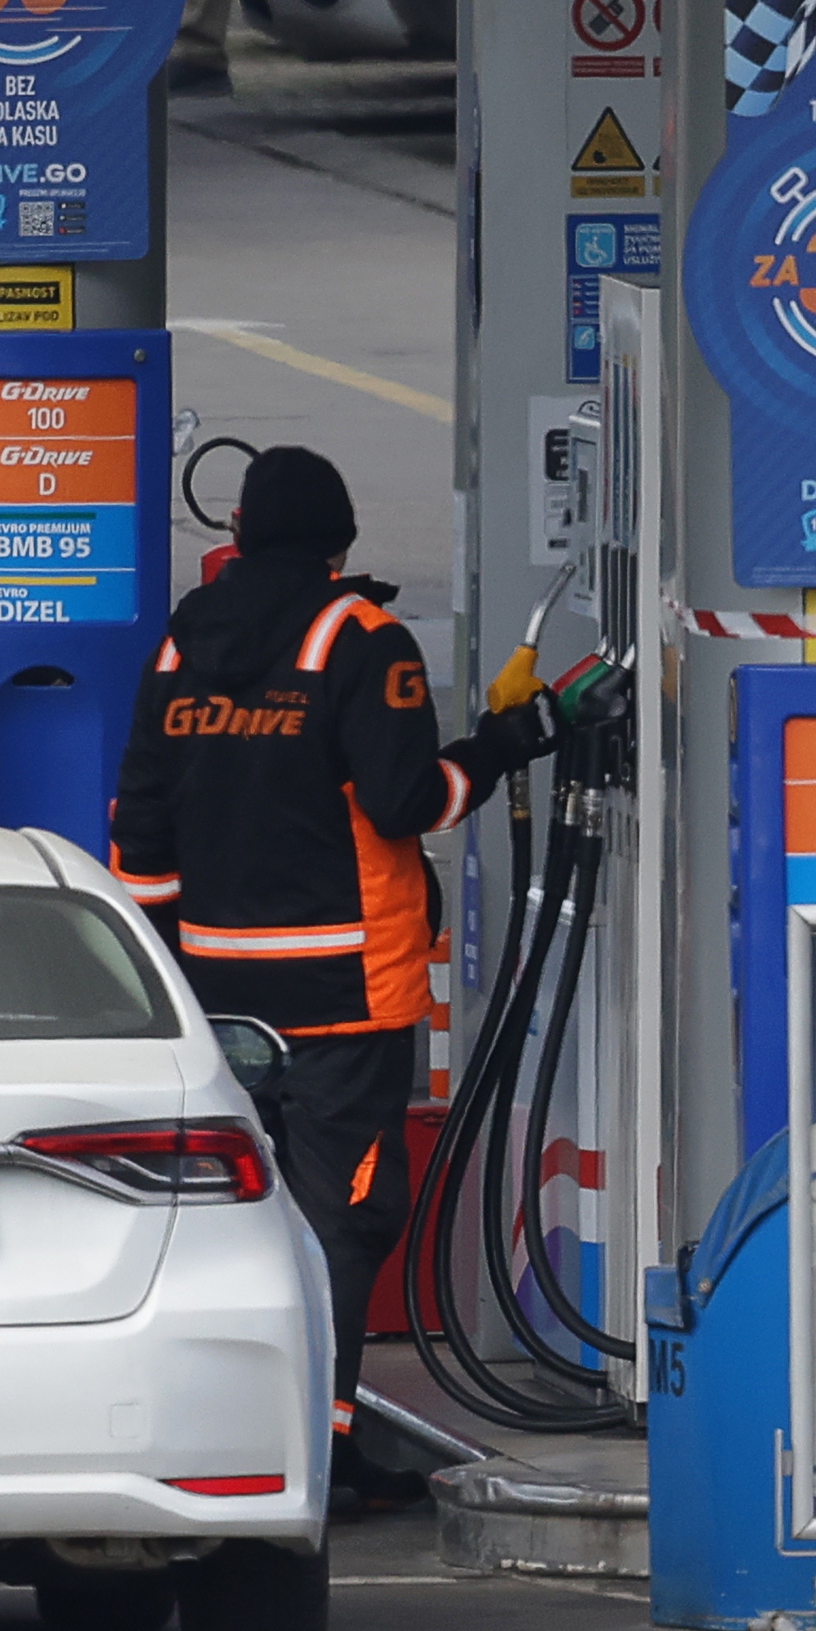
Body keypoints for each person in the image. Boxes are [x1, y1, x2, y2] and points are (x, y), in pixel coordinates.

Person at [107, 447, 555, 1511]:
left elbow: (138, 831)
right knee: (343, 1217)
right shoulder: (358, 640)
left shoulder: (178, 645)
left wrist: (174, 969)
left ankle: (239, 1423)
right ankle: (326, 1436)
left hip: (217, 998)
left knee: (230, 1212)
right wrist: (503, 742)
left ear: (240, 536)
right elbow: (410, 800)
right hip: (347, 990)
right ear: (338, 542)